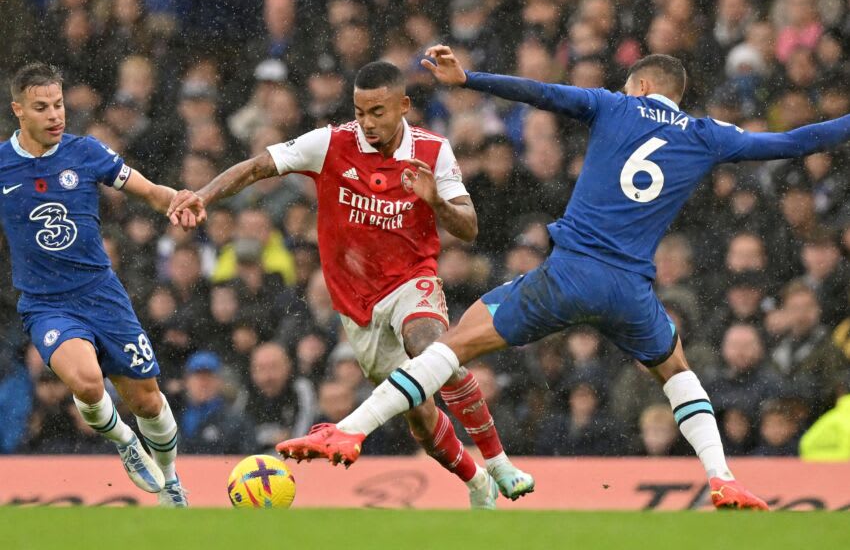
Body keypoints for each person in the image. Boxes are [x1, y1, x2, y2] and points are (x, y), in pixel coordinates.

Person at [276, 45, 850, 511]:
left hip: (570, 273)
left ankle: (349, 428)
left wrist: (471, 78)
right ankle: (722, 476)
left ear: (641, 88)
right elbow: (797, 141)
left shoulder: (614, 105)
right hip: (630, 291)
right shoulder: (707, 134)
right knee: (675, 370)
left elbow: (543, 92)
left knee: (451, 346)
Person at [168, 61, 533, 508]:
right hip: (356, 304)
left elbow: (470, 228)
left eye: (377, 111)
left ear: (403, 106)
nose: (367, 122)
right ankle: (477, 481)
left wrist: (436, 200)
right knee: (420, 419)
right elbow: (259, 166)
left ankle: (499, 462)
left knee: (432, 347)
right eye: (360, 111)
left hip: (411, 280)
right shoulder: (330, 143)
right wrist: (203, 195)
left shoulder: (433, 151)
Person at [0, 63, 202, 506]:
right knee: (89, 383)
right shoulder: (2, 166)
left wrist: (180, 201)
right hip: (46, 303)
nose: (55, 115)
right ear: (18, 111)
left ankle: (170, 480)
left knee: (148, 401)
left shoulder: (86, 153)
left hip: (101, 294)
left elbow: (150, 192)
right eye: (41, 107)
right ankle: (126, 443)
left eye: (58, 104)